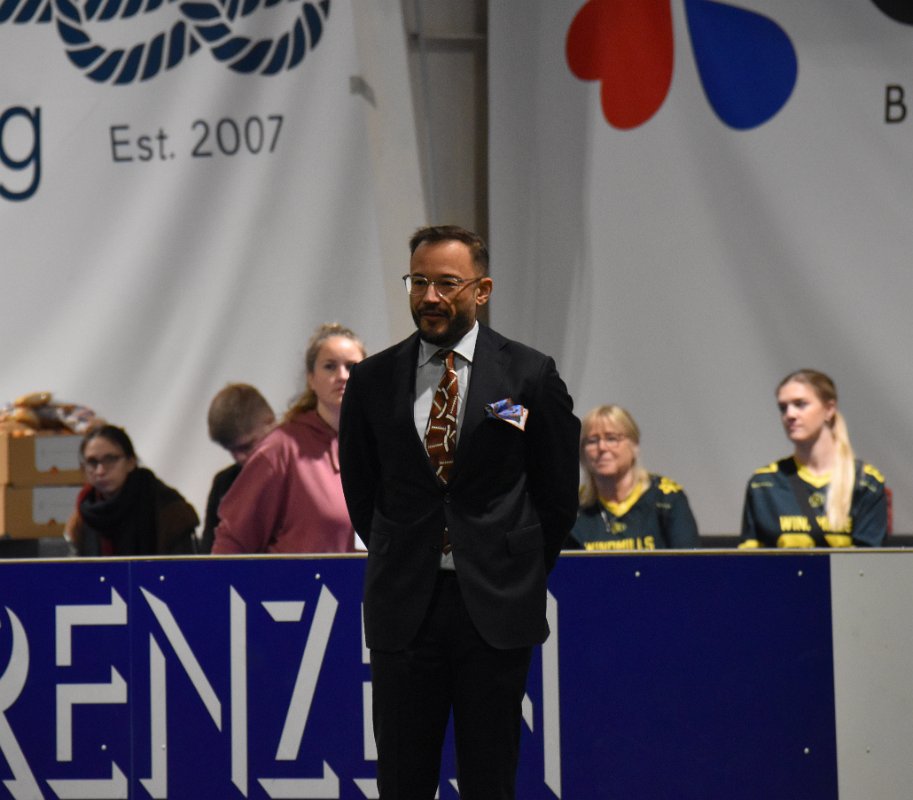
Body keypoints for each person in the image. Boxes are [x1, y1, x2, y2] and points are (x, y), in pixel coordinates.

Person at [338, 224, 580, 800]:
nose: (430, 297)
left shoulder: (528, 375)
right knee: (402, 780)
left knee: (490, 779)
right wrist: (404, 551)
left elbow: (556, 494)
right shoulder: (372, 380)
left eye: (447, 283)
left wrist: (513, 566)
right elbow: (362, 490)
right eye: (418, 282)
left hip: (495, 609)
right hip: (405, 608)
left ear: (482, 290)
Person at [212, 323, 364, 554]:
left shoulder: (381, 444)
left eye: (351, 367)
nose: (342, 376)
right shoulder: (281, 448)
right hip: (304, 579)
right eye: (330, 366)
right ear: (311, 379)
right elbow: (231, 543)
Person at [739, 369, 887, 548]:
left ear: (829, 409)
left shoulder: (866, 482)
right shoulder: (764, 484)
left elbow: (870, 561)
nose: (790, 415)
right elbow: (749, 559)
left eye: (800, 404)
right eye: (783, 407)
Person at [567, 404, 699, 550]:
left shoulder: (667, 498)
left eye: (611, 438)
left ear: (634, 445)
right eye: (592, 441)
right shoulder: (572, 506)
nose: (602, 447)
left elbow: (688, 561)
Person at [65, 425, 198, 556]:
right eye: (92, 462)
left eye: (110, 459)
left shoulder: (169, 509)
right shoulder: (84, 515)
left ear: (131, 462)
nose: (100, 471)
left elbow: (184, 566)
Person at [199, 383, 276, 553]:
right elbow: (208, 554)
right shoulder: (223, 483)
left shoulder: (301, 474)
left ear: (270, 422)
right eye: (230, 450)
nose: (239, 457)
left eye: (246, 446)